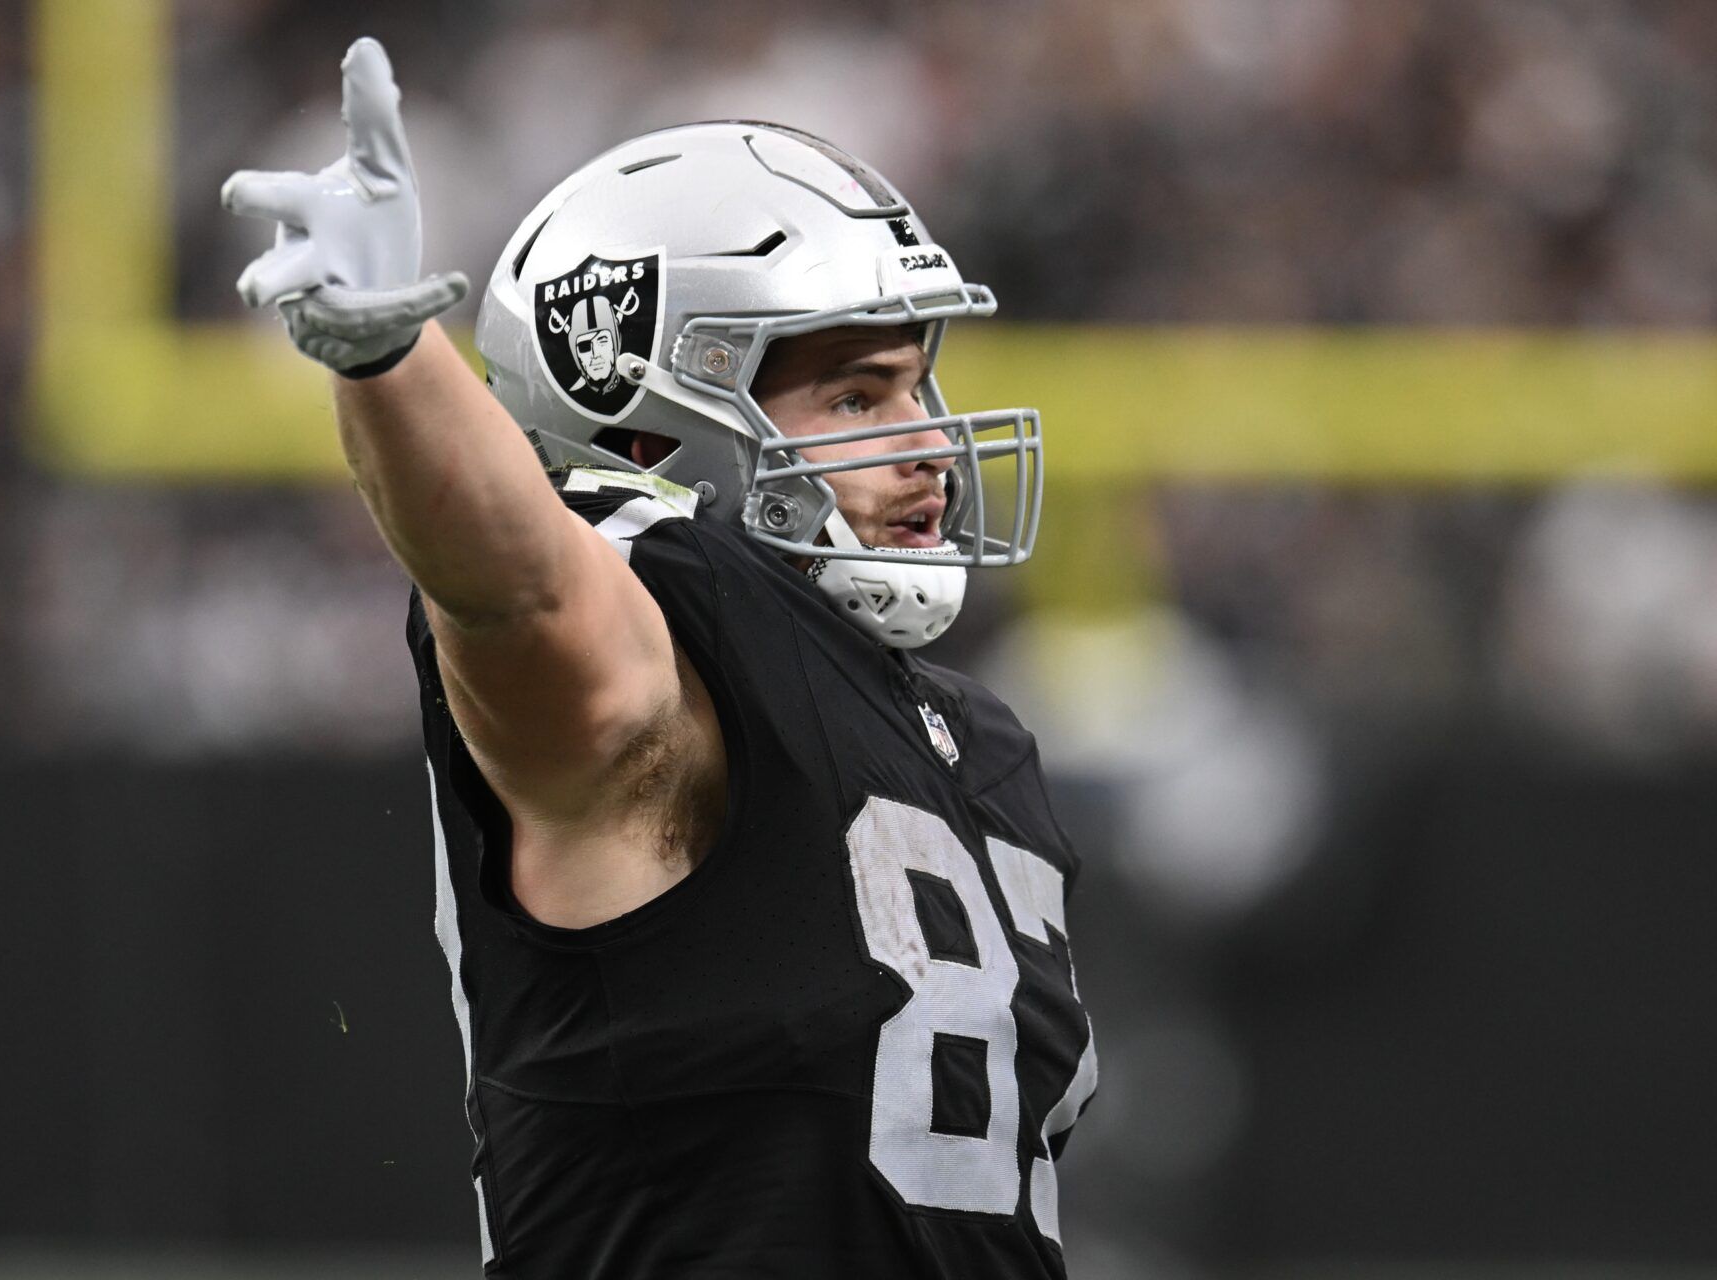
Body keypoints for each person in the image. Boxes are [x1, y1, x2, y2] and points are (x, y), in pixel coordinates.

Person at [226, 37, 1096, 1279]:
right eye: (856, 398)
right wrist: (387, 357)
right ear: (653, 426)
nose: (931, 449)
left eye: (917, 388)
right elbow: (523, 594)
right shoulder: (658, 652)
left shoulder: (979, 739)